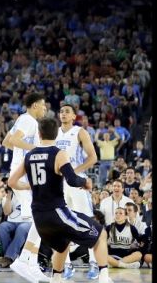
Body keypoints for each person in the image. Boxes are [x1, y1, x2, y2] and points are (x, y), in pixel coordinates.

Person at [8, 118, 115, 283]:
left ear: (39, 133)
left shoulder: (29, 155)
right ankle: (104, 277)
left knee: (62, 245)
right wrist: (85, 182)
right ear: (57, 133)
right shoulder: (58, 153)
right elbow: (72, 180)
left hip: (39, 218)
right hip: (56, 212)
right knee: (101, 233)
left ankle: (56, 278)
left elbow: (12, 182)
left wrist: (29, 186)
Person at [2, 93, 47, 281]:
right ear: (35, 105)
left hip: (23, 170)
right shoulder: (28, 120)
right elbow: (13, 141)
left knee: (39, 219)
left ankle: (31, 262)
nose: (45, 109)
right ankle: (25, 261)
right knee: (40, 218)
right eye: (43, 106)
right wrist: (35, 151)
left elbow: (6, 141)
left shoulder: (22, 119)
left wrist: (23, 151)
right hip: (24, 172)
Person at [55, 103, 100, 279]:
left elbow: (93, 157)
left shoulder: (79, 131)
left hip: (76, 181)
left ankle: (94, 263)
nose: (63, 114)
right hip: (59, 183)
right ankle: (67, 265)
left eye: (67, 111)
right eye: (61, 111)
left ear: (74, 116)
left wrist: (74, 172)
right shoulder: (54, 133)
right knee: (62, 223)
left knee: (86, 221)